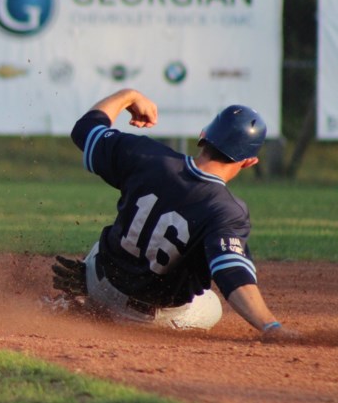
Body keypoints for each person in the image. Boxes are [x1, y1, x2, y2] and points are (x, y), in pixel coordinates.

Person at [51, 88, 298, 341]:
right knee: (211, 304)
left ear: (203, 136)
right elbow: (233, 274)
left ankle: (81, 296)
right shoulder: (226, 211)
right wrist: (271, 326)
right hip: (150, 319)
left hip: (100, 283)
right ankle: (107, 313)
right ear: (249, 162)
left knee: (105, 246)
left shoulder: (147, 156)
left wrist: (128, 95)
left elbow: (85, 130)